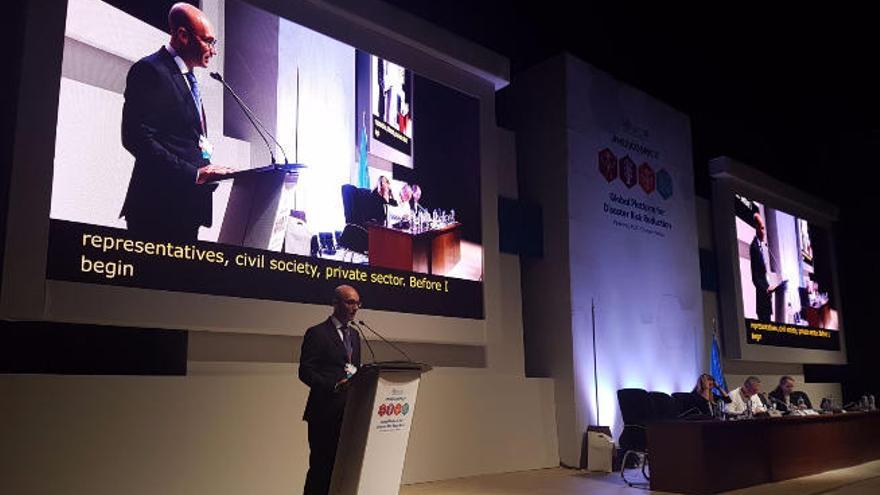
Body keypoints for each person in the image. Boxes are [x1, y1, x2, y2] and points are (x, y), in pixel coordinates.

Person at [120, 3, 234, 241]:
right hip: (157, 211)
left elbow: (186, 140)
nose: (213, 51)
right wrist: (193, 174)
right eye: (208, 41)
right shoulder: (150, 71)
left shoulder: (188, 78)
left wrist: (208, 170)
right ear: (182, 36)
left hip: (186, 208)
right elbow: (136, 138)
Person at [298, 285, 363, 495]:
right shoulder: (317, 333)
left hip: (348, 414)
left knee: (343, 468)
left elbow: (355, 370)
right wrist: (333, 386)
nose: (355, 308)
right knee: (321, 469)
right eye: (349, 302)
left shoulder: (355, 336)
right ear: (335, 303)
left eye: (357, 303)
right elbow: (305, 372)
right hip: (324, 414)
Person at [750, 212, 773, 322]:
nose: (764, 232)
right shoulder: (754, 247)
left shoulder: (760, 247)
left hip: (766, 301)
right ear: (756, 228)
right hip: (762, 302)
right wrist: (766, 289)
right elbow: (755, 278)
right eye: (762, 228)